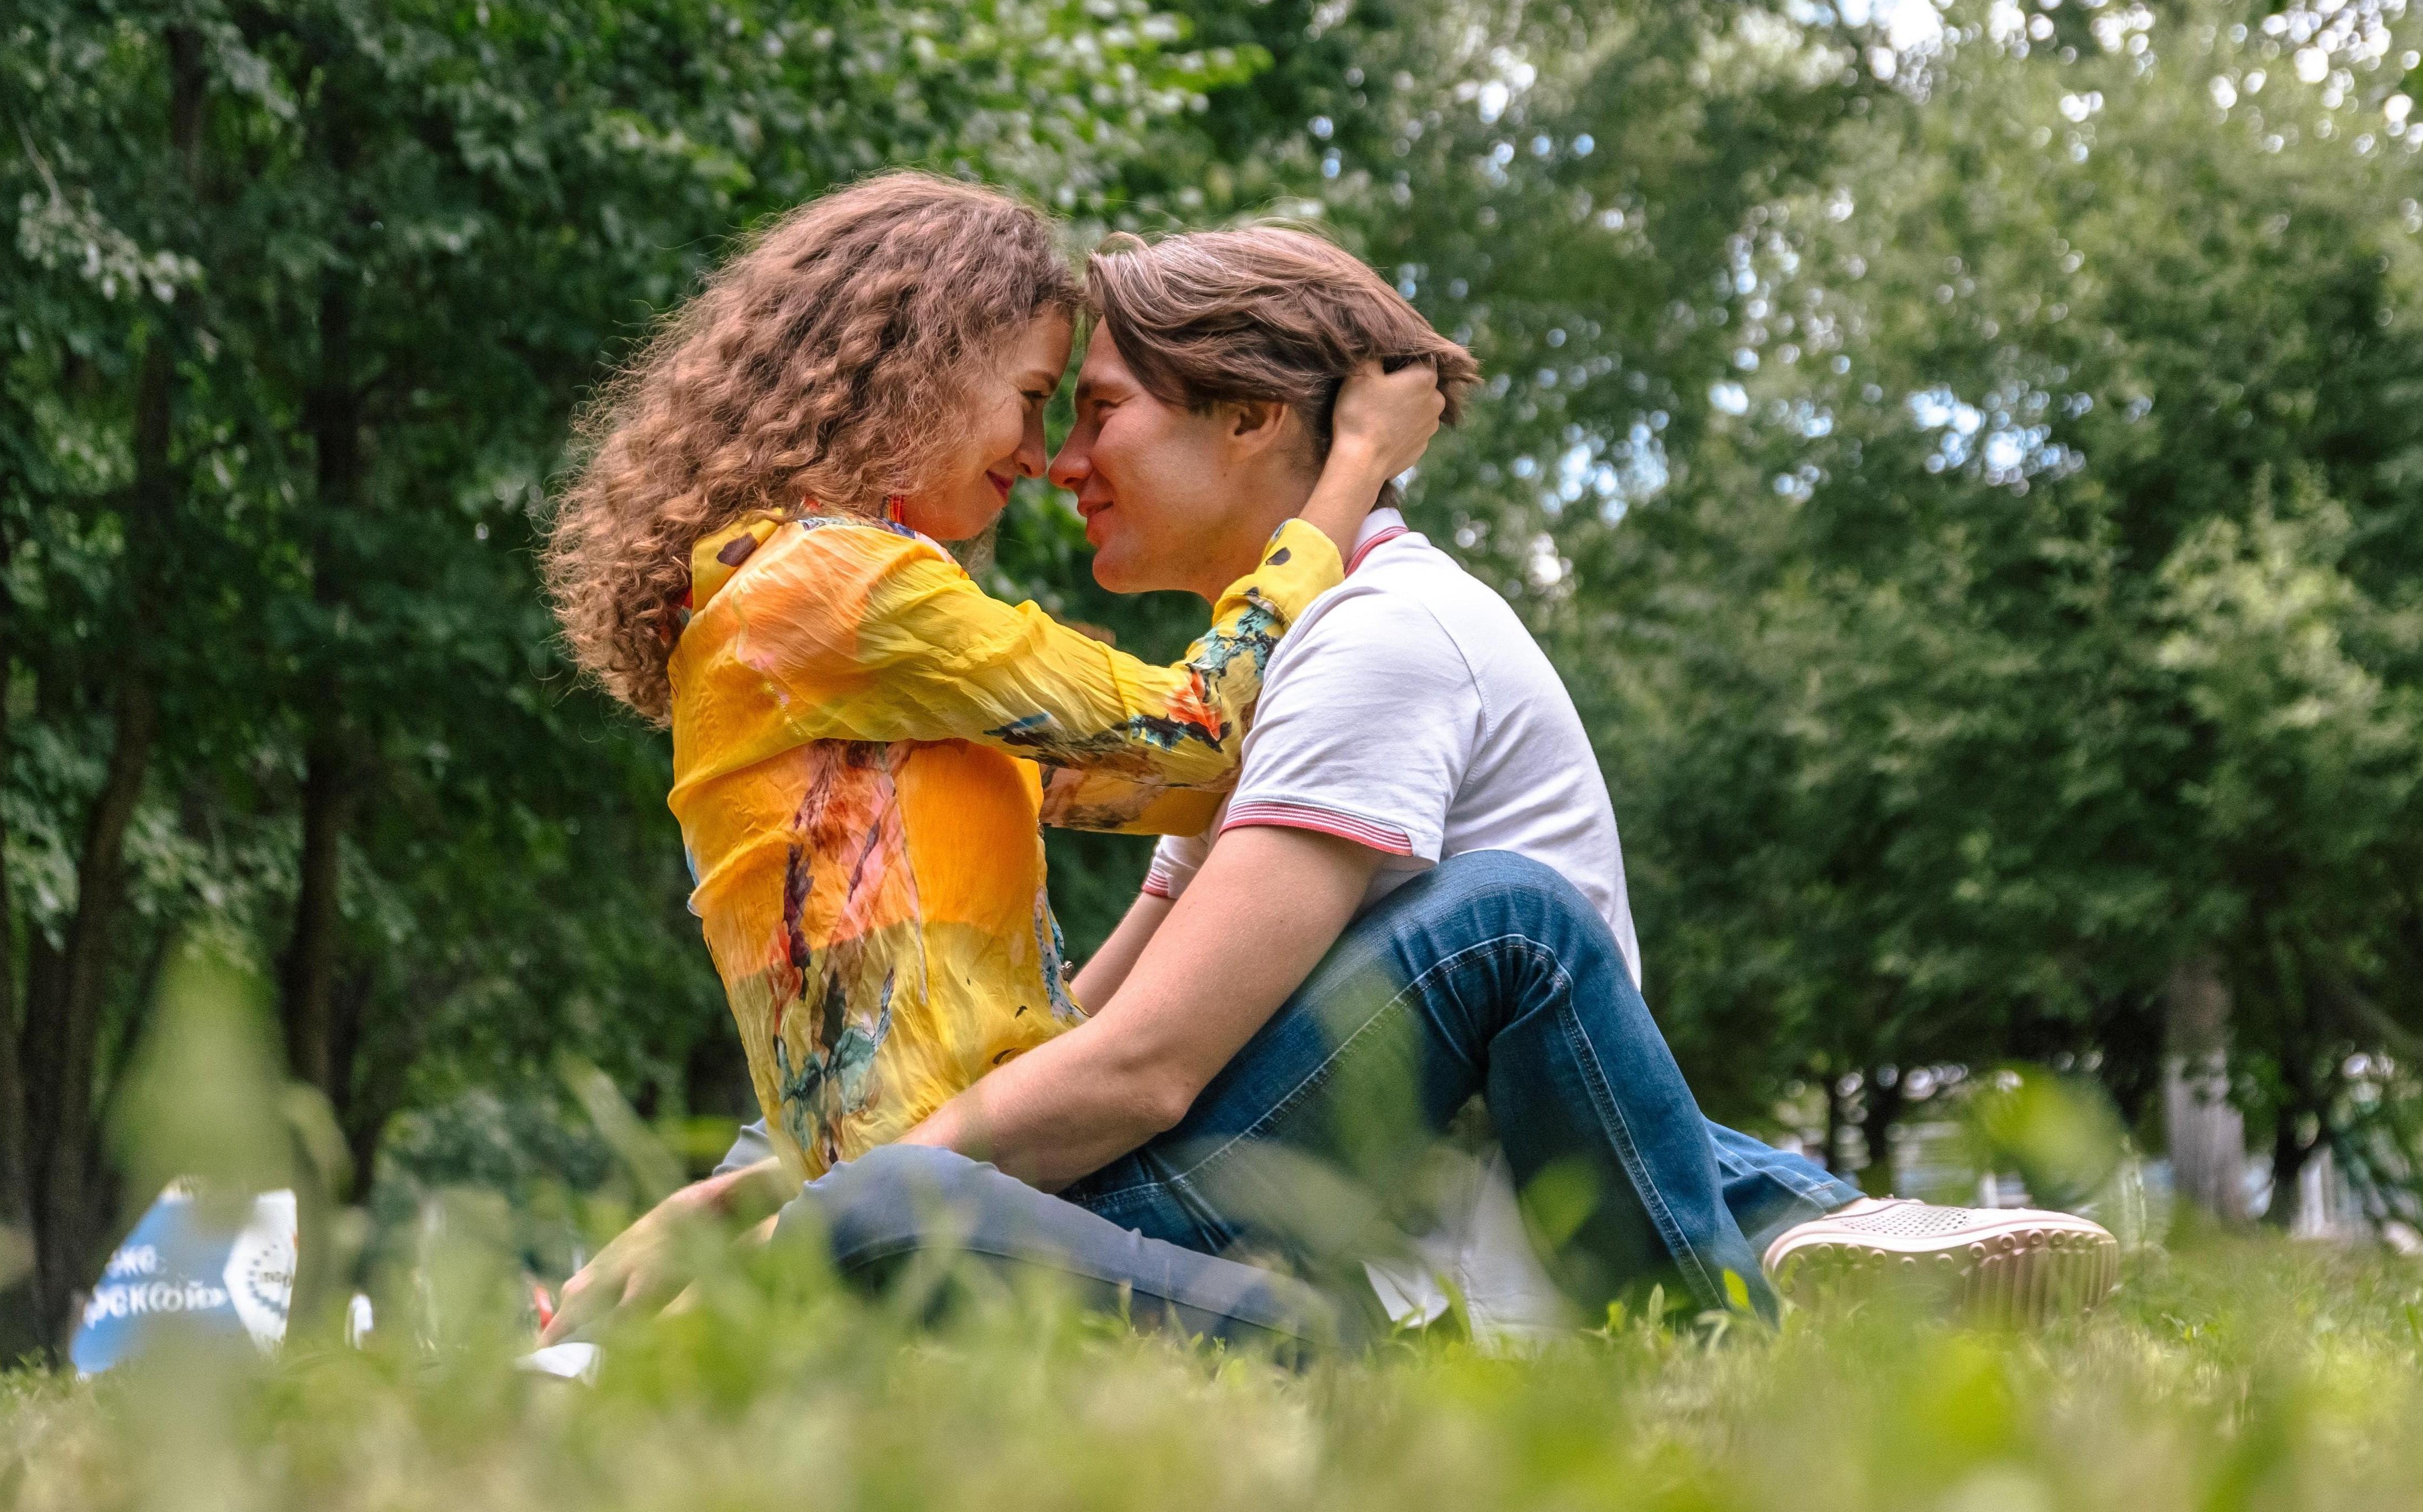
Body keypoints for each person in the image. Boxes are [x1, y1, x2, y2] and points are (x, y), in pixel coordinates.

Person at [755, 225, 2122, 1340]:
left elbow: (1147, 1066)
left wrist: (872, 1181)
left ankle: (1738, 1297)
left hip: (1385, 1226)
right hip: (1298, 1176)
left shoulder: (1384, 640)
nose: (1062, 463)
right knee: (844, 1187)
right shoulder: (1294, 668)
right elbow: (1095, 1019)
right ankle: (1818, 1222)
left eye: (1101, 410)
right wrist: (791, 1170)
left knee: (1501, 921)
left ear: (1250, 417)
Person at [538, 177, 1446, 1341]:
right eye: (1028, 400)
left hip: (942, 1186)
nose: (1037, 455)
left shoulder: (811, 628)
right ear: (921, 366)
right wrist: (1349, 473)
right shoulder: (837, 587)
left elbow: (1174, 788)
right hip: (956, 1210)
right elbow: (1190, 736)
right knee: (1308, 1328)